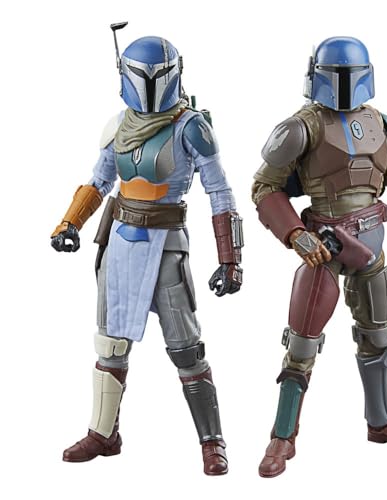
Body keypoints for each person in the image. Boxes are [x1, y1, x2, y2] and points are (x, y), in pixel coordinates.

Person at [51, 26, 243, 476]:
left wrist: (230, 259)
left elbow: (220, 192)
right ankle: (104, 433)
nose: (151, 87)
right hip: (120, 243)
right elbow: (99, 180)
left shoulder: (191, 127)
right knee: (110, 344)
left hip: (166, 246)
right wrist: (69, 223)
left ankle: (212, 441)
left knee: (186, 349)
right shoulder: (119, 125)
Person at [252, 36, 387, 478]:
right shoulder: (302, 127)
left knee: (378, 338)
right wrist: (296, 235)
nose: (342, 84)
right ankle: (283, 435)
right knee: (301, 345)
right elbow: (264, 187)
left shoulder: (380, 124)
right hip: (324, 248)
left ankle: (380, 421)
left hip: (371, 248)